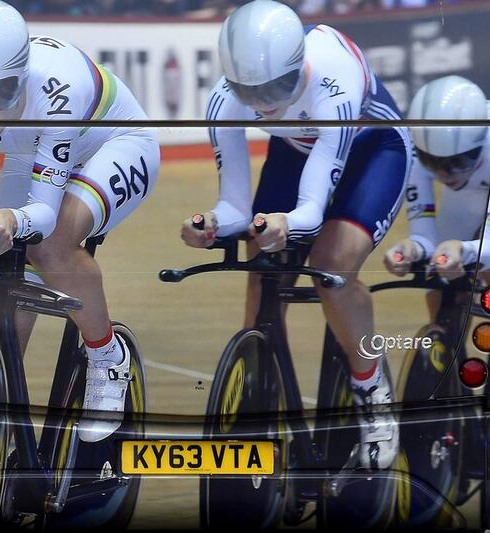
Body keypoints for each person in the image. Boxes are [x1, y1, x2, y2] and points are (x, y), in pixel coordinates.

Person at [182, 0, 411, 469]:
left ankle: (371, 387)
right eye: (253, 92)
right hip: (296, 150)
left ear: (299, 63)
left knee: (331, 265)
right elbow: (235, 207)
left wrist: (286, 223)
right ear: (232, 82)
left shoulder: (334, 78)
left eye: (280, 87)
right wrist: (209, 224)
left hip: (373, 151)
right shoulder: (224, 100)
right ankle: (257, 385)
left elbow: (310, 208)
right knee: (263, 265)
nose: (267, 103)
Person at [0, 0, 159, 442]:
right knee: (5, 296)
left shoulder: (54, 89)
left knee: (48, 247)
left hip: (115, 142)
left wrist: (12, 217)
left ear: (19, 76)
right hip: (33, 150)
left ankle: (108, 358)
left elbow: (44, 216)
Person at [385, 75, 490, 411]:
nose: (447, 174)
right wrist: (411, 249)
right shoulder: (418, 144)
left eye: (458, 161)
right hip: (465, 202)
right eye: (435, 165)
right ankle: (451, 368)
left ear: (478, 143)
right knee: (440, 280)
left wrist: (464, 250)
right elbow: (423, 235)